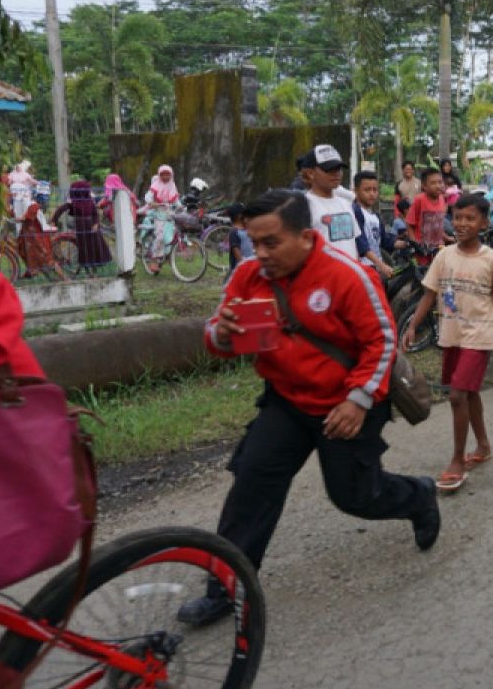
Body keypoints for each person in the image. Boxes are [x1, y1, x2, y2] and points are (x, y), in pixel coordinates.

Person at [178, 190, 439, 626]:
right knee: (251, 489)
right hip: (286, 401)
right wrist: (221, 335)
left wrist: (357, 401)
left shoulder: (348, 275)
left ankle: (419, 497)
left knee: (355, 496)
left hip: (347, 402)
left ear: (304, 236)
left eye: (270, 243)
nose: (259, 254)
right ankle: (225, 587)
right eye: (253, 241)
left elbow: (383, 342)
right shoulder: (248, 274)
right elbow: (217, 335)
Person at [401, 193, 493, 493]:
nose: (462, 223)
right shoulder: (444, 255)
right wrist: (412, 325)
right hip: (451, 336)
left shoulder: (491, 259)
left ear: (484, 222)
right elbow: (429, 293)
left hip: (478, 339)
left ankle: (457, 460)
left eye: (470, 218)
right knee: (469, 394)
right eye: (458, 217)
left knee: (456, 396)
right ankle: (484, 446)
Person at [299, 145, 363, 261]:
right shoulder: (303, 207)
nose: (336, 173)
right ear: (310, 173)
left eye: (339, 168)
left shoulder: (346, 204)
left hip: (349, 276)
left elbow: (353, 244)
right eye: (329, 169)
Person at [51, 181, 112, 275]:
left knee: (95, 246)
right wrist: (54, 221)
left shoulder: (90, 201)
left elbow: (95, 214)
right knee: (85, 248)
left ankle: (94, 268)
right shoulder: (73, 202)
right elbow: (61, 209)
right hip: (81, 228)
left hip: (92, 227)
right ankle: (88, 268)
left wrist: (96, 224)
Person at [352, 169, 396, 280]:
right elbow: (361, 245)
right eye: (367, 190)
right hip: (363, 268)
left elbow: (385, 241)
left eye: (375, 190)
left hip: (375, 267)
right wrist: (381, 265)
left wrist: (405, 242)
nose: (372, 193)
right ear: (355, 191)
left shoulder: (375, 216)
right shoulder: (355, 212)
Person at [405, 167, 449, 263]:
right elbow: (409, 224)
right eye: (433, 183)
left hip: (438, 247)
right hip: (423, 249)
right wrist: (415, 244)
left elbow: (438, 225)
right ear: (424, 186)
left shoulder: (442, 199)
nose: (438, 186)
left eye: (440, 182)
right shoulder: (419, 200)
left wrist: (448, 238)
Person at [16, 197, 66, 280]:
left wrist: (20, 218)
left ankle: (65, 279)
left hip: (38, 238)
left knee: (46, 259)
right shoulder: (26, 204)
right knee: (31, 254)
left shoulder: (33, 206)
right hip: (32, 238)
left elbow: (27, 216)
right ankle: (32, 271)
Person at [142, 164, 181, 270]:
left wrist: (180, 206)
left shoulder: (172, 185)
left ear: (171, 175)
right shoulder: (155, 185)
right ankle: (153, 260)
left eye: (167, 175)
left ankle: (168, 255)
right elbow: (148, 196)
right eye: (163, 175)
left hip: (169, 213)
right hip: (158, 213)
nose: (165, 177)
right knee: (160, 236)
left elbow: (175, 199)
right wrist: (152, 203)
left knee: (172, 235)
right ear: (159, 175)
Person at [226, 202, 253, 273]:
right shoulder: (234, 232)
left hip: (250, 265)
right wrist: (244, 264)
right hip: (239, 269)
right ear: (239, 216)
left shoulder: (247, 229)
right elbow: (236, 251)